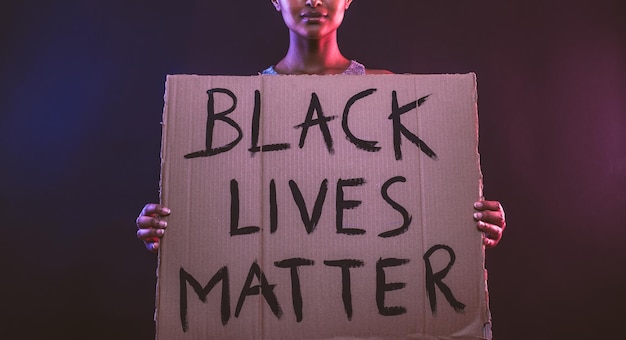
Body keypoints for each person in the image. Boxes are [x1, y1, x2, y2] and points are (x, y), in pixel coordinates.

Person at [136, 0, 506, 252]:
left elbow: (421, 202)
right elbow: (221, 215)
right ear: (276, 0)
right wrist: (173, 223)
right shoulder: (240, 109)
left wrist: (467, 221)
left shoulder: (389, 92)